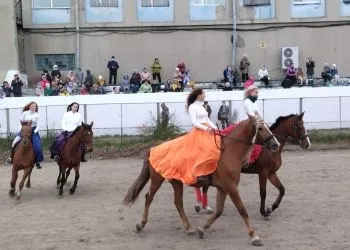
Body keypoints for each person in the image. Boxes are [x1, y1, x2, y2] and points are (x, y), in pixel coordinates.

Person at [5, 102, 44, 168]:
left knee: (37, 147)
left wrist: (34, 132)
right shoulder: (25, 113)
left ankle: (37, 161)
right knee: (14, 142)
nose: (34, 107)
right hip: (24, 130)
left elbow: (38, 125)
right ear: (29, 107)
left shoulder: (37, 115)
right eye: (33, 106)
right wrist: (22, 129)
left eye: (35, 106)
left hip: (33, 131)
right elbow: (20, 122)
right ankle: (11, 158)